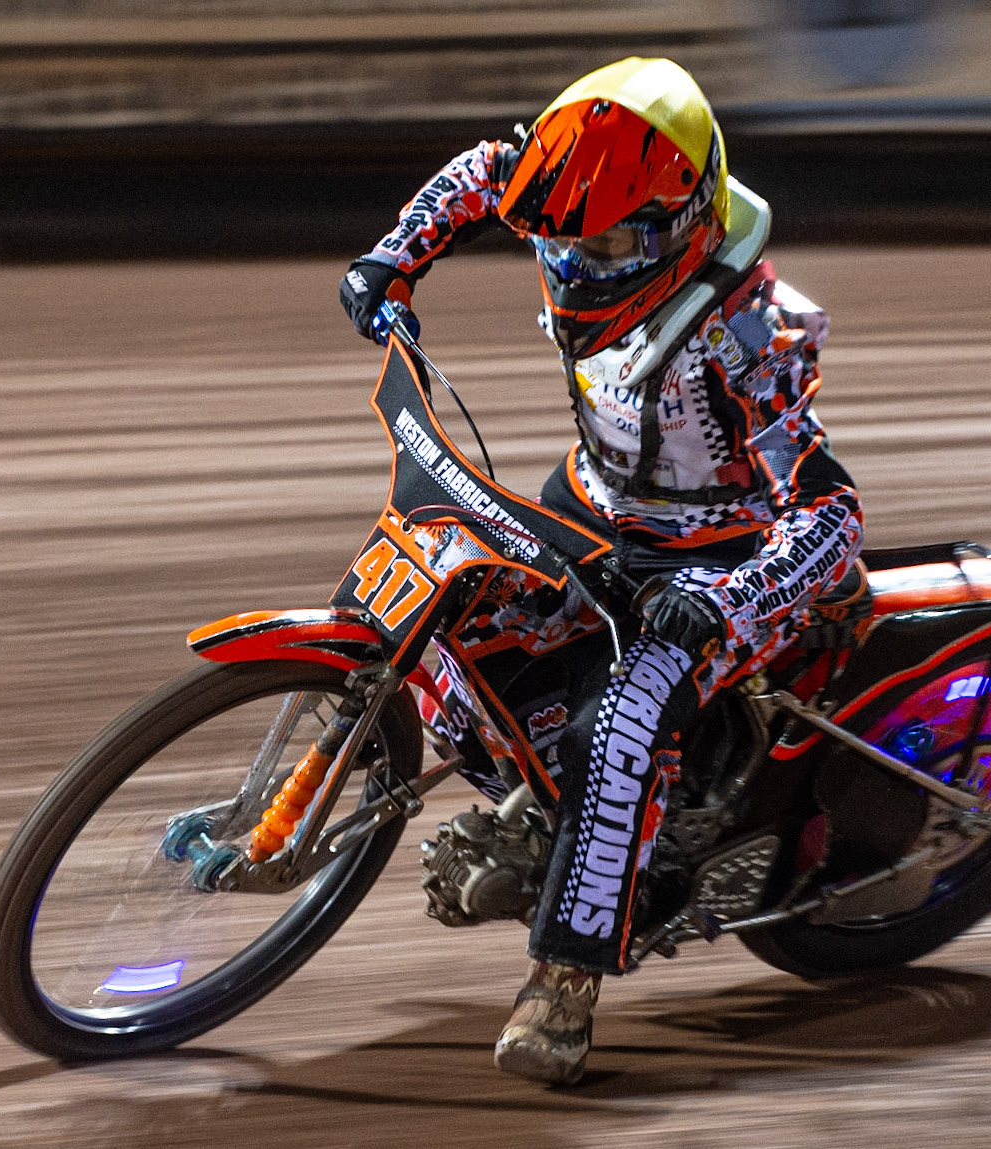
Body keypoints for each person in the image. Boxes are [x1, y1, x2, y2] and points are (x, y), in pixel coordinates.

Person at [338, 56, 864, 1085]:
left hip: (715, 558)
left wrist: (729, 601)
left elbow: (831, 513)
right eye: (560, 240)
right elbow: (485, 173)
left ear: (680, 223)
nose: (577, 265)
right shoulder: (580, 203)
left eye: (608, 245)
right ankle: (545, 812)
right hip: (596, 503)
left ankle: (566, 980)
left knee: (620, 723)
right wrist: (391, 262)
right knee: (454, 616)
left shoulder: (750, 334)